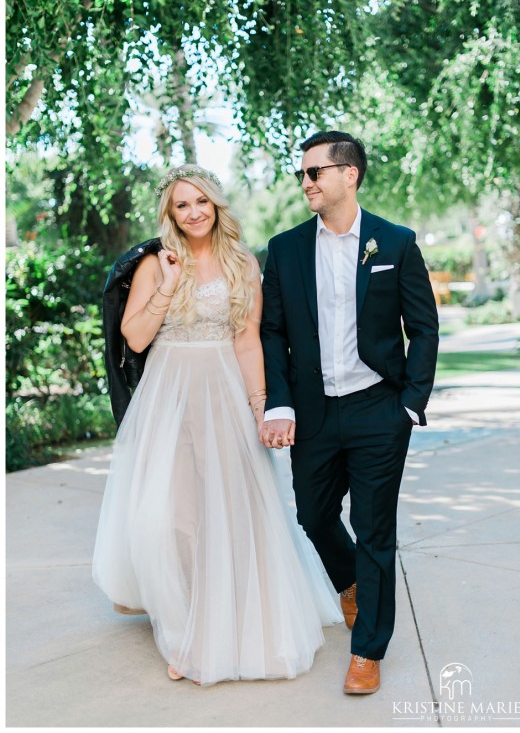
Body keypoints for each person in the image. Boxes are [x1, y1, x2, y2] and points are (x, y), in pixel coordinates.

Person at [93, 164, 342, 687]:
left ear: (216, 205)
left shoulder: (242, 263)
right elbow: (134, 339)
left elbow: (248, 339)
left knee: (231, 513)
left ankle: (225, 626)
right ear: (171, 213)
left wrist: (260, 407)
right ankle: (184, 625)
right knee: (170, 519)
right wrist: (171, 283)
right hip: (169, 398)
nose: (194, 212)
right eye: (182, 205)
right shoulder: (156, 263)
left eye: (201, 201)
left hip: (225, 396)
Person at [259, 131, 439, 694]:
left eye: (316, 172)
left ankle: (368, 651)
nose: (306, 182)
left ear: (350, 174)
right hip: (312, 412)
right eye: (303, 174)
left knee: (373, 530)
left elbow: (425, 327)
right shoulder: (285, 248)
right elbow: (273, 331)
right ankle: (350, 582)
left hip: (377, 410)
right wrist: (280, 401)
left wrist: (409, 404)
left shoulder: (396, 242)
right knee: (313, 516)